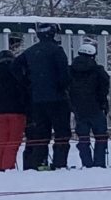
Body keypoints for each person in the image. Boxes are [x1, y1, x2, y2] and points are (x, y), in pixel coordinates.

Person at [19, 24, 72, 170]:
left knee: (41, 134)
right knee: (62, 132)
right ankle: (60, 163)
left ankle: (40, 162)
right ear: (53, 33)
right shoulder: (57, 51)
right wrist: (61, 87)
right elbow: (65, 75)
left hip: (37, 100)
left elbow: (15, 67)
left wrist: (28, 83)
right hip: (57, 99)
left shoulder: (30, 52)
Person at [0, 36, 30, 174]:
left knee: (1, 140)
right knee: (13, 141)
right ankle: (7, 167)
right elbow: (25, 91)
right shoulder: (17, 73)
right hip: (17, 112)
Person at [68, 39, 111, 168]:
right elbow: (104, 87)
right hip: (96, 108)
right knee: (101, 136)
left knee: (83, 138)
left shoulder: (70, 70)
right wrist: (103, 102)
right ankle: (99, 163)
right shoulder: (98, 70)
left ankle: (86, 163)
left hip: (79, 109)